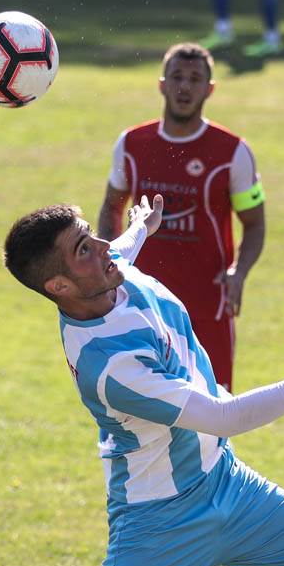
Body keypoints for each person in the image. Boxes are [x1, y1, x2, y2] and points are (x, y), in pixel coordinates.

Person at [3, 194, 284, 566]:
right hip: (160, 521)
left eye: (91, 235)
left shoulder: (109, 276)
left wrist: (142, 225)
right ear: (59, 286)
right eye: (84, 249)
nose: (103, 247)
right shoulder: (110, 365)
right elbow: (223, 417)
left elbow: (123, 248)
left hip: (228, 482)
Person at [98, 42, 263, 394]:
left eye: (195, 78)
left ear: (210, 88)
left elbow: (255, 222)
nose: (184, 87)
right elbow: (112, 206)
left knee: (217, 412)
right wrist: (108, 267)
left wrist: (239, 273)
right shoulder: (131, 144)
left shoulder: (232, 152)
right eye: (176, 77)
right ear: (161, 83)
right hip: (139, 304)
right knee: (146, 412)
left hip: (208, 307)